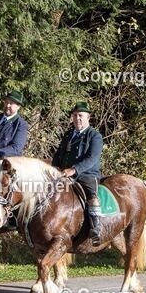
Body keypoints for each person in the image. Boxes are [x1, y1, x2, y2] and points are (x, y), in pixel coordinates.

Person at [53, 102, 105, 245]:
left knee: (92, 197)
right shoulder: (68, 135)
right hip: (64, 174)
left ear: (88, 117)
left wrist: (74, 170)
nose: (78, 119)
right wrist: (54, 169)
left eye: (81, 115)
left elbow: (92, 158)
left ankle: (96, 229)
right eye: (75, 115)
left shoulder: (94, 136)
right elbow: (58, 154)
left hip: (87, 175)